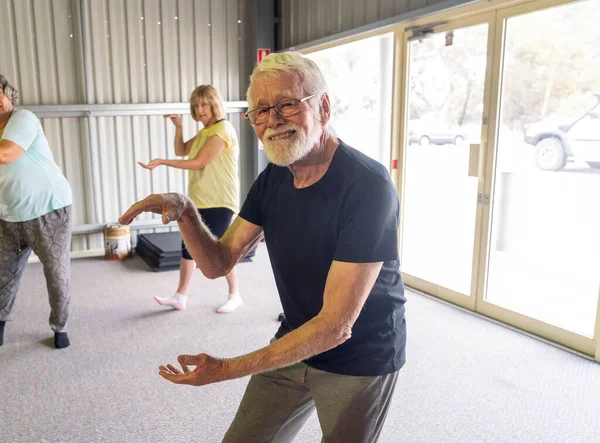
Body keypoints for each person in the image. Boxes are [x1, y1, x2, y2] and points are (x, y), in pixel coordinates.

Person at [119, 51, 406, 442]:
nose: (273, 120)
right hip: (295, 338)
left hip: (361, 355)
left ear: (323, 106)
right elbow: (217, 263)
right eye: (260, 111)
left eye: (287, 104)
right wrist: (186, 212)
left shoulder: (367, 185)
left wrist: (226, 368)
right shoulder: (274, 178)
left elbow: (337, 326)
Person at [138, 85, 242, 313]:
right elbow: (182, 150)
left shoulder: (222, 130)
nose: (200, 109)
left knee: (218, 250)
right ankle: (180, 296)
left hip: (219, 200)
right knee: (188, 247)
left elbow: (198, 162)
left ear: (214, 104)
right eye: (196, 105)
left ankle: (235, 294)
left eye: (204, 104)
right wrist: (179, 127)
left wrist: (162, 162)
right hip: (198, 199)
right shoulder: (205, 132)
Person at [0, 74, 73, 349]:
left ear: (9, 95)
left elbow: (6, 154)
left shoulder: (23, 119)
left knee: (56, 273)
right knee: (2, 275)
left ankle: (60, 326)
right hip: (9, 214)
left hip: (49, 209)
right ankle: (0, 322)